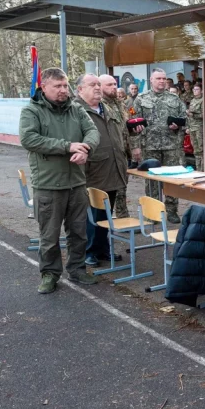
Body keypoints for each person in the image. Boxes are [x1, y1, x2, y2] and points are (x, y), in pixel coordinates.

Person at [19, 67, 100, 293]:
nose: (63, 90)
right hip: (48, 185)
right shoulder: (32, 111)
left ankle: (77, 269)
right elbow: (29, 139)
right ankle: (49, 274)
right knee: (49, 235)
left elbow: (93, 132)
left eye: (65, 85)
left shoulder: (76, 109)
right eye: (57, 86)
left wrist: (86, 149)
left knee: (78, 232)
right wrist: (67, 146)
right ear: (44, 87)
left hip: (76, 183)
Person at [75, 74, 127, 267]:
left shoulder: (107, 107)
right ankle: (89, 251)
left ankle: (102, 249)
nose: (97, 88)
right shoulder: (75, 110)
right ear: (80, 89)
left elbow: (119, 133)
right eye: (92, 85)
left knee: (106, 213)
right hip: (92, 171)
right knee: (92, 215)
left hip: (113, 167)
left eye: (99, 84)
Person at [131, 68, 187, 224]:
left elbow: (184, 117)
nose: (162, 81)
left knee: (171, 179)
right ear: (151, 80)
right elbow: (133, 122)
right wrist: (135, 146)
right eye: (158, 78)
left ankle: (172, 211)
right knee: (152, 181)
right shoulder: (141, 99)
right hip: (149, 145)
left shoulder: (174, 98)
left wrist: (178, 125)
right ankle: (153, 212)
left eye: (164, 78)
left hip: (171, 145)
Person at [100, 74, 131, 219]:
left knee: (122, 186)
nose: (114, 87)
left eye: (114, 84)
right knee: (109, 188)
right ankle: (105, 218)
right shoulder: (99, 105)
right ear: (99, 86)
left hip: (122, 151)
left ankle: (122, 215)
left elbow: (124, 128)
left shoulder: (119, 104)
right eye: (109, 85)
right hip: (108, 154)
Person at [187, 83, 204, 171]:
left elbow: (204, 115)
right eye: (194, 90)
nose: (195, 91)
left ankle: (203, 169)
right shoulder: (193, 100)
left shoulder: (203, 100)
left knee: (201, 149)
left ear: (201, 91)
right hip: (192, 127)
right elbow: (189, 116)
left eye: (197, 89)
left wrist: (193, 115)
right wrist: (188, 127)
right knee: (196, 150)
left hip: (199, 127)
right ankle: (198, 169)